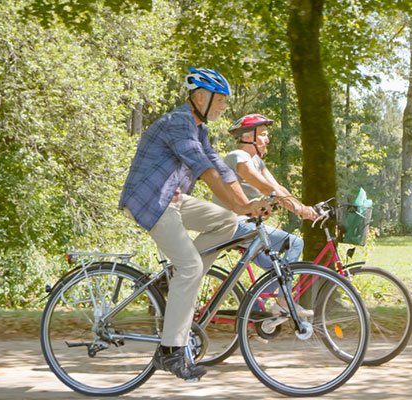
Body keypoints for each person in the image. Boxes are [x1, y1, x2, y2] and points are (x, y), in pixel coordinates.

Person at [118, 67, 271, 382]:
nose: (223, 108)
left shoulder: (198, 130)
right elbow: (205, 171)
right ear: (201, 96)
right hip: (150, 200)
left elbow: (222, 169)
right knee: (191, 267)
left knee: (228, 221)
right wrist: (243, 204)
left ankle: (177, 277)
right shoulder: (179, 123)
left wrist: (247, 207)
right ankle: (170, 352)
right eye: (221, 100)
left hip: (170, 200)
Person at [212, 113, 317, 330]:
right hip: (233, 223)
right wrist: (298, 209)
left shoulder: (257, 160)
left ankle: (261, 304)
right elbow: (264, 187)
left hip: (248, 226)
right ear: (249, 136)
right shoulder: (238, 156)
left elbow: (278, 188)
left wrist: (305, 208)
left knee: (279, 267)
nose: (267, 139)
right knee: (295, 244)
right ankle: (281, 302)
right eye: (263, 134)